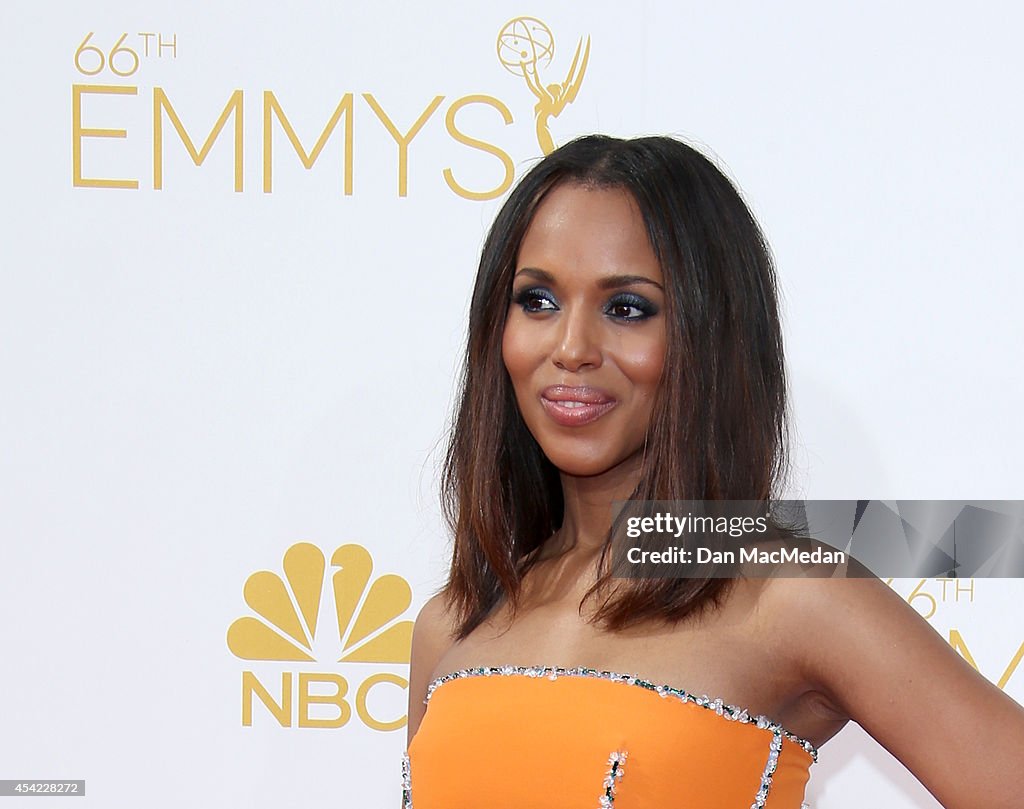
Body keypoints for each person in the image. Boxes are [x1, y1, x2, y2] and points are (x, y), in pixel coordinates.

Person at [401, 134, 1024, 808]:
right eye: (538, 301)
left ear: (710, 336)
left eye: (627, 308)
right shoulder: (452, 621)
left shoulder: (790, 595)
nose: (571, 346)